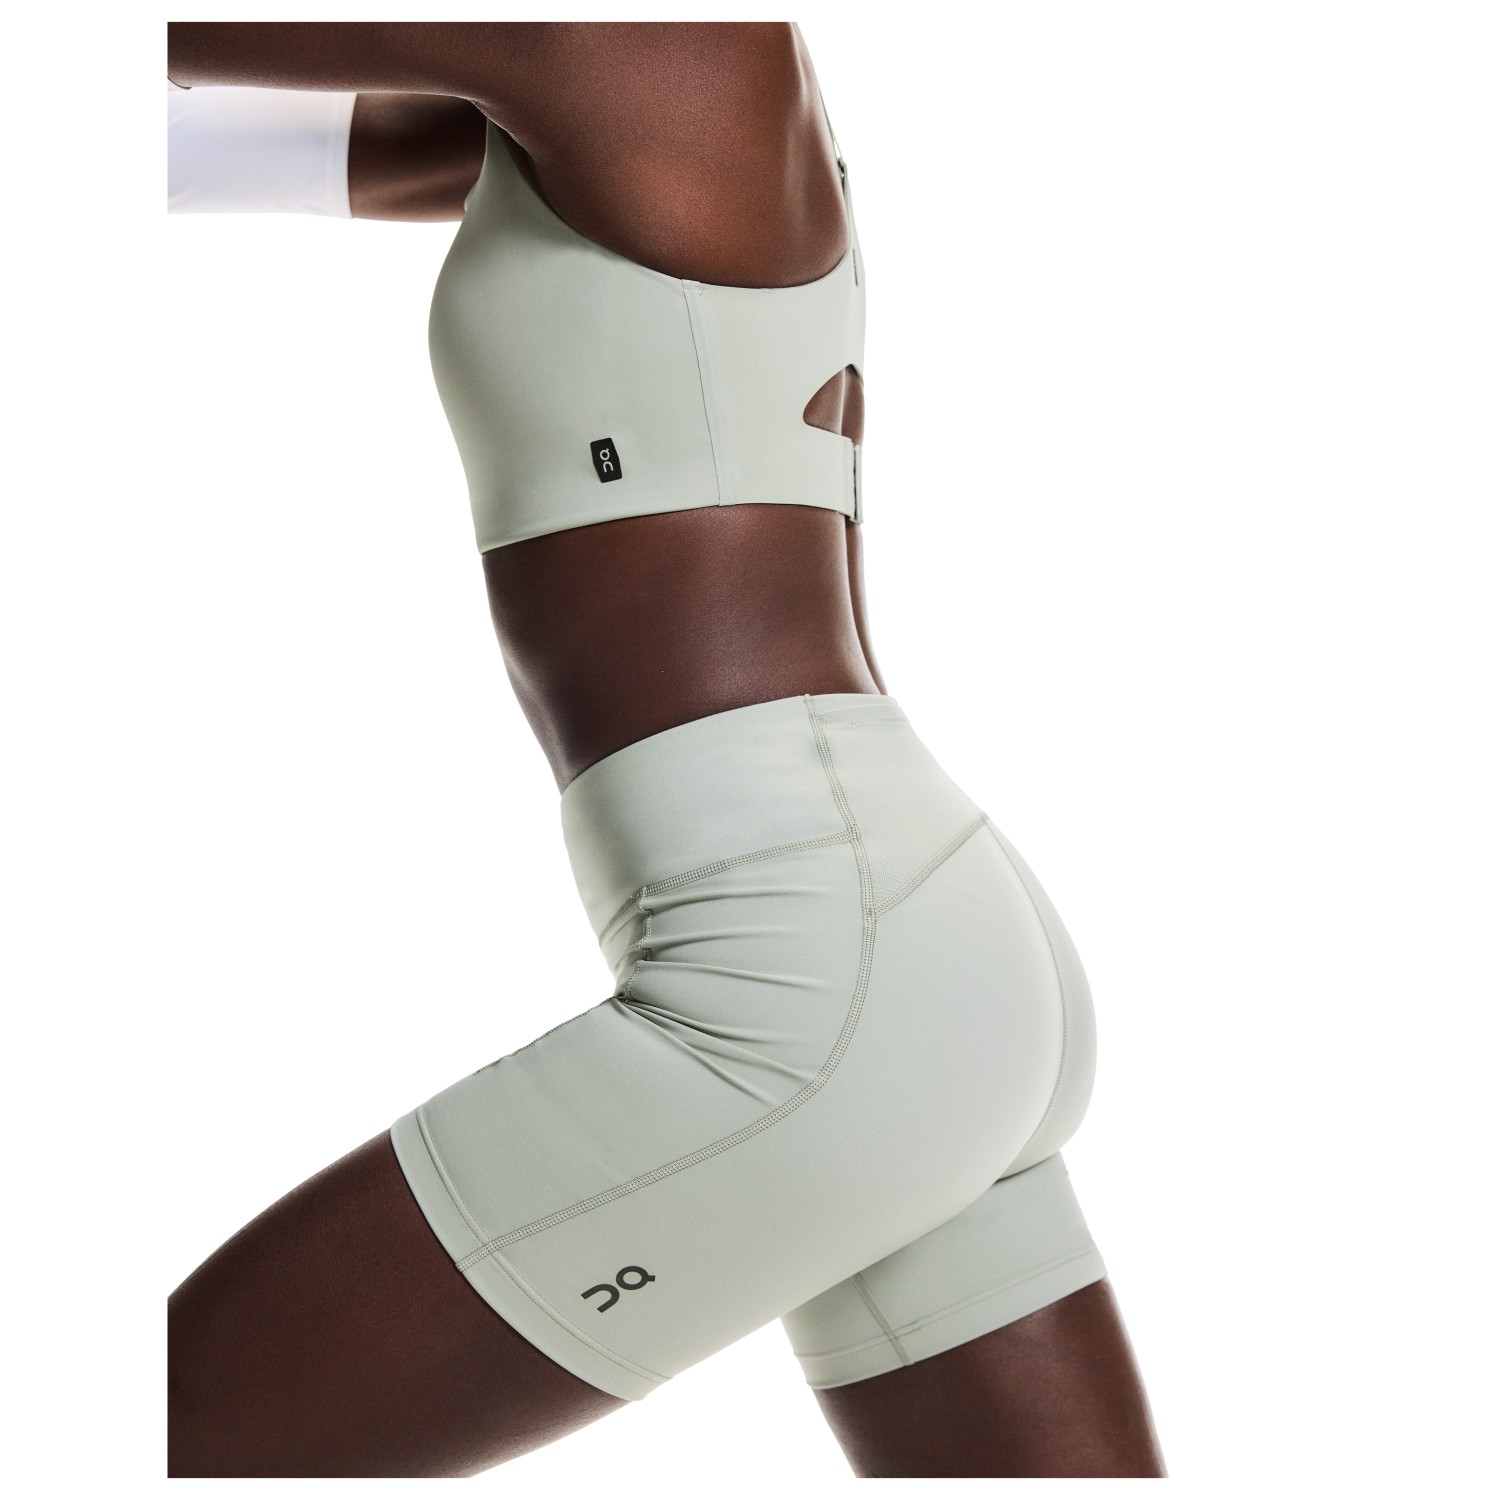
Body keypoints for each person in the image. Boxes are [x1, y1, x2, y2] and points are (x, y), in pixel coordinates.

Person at [165, 22, 1166, 1478]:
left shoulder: (643, 37)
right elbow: (215, 140)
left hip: (812, 980)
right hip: (904, 934)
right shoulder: (643, 82)